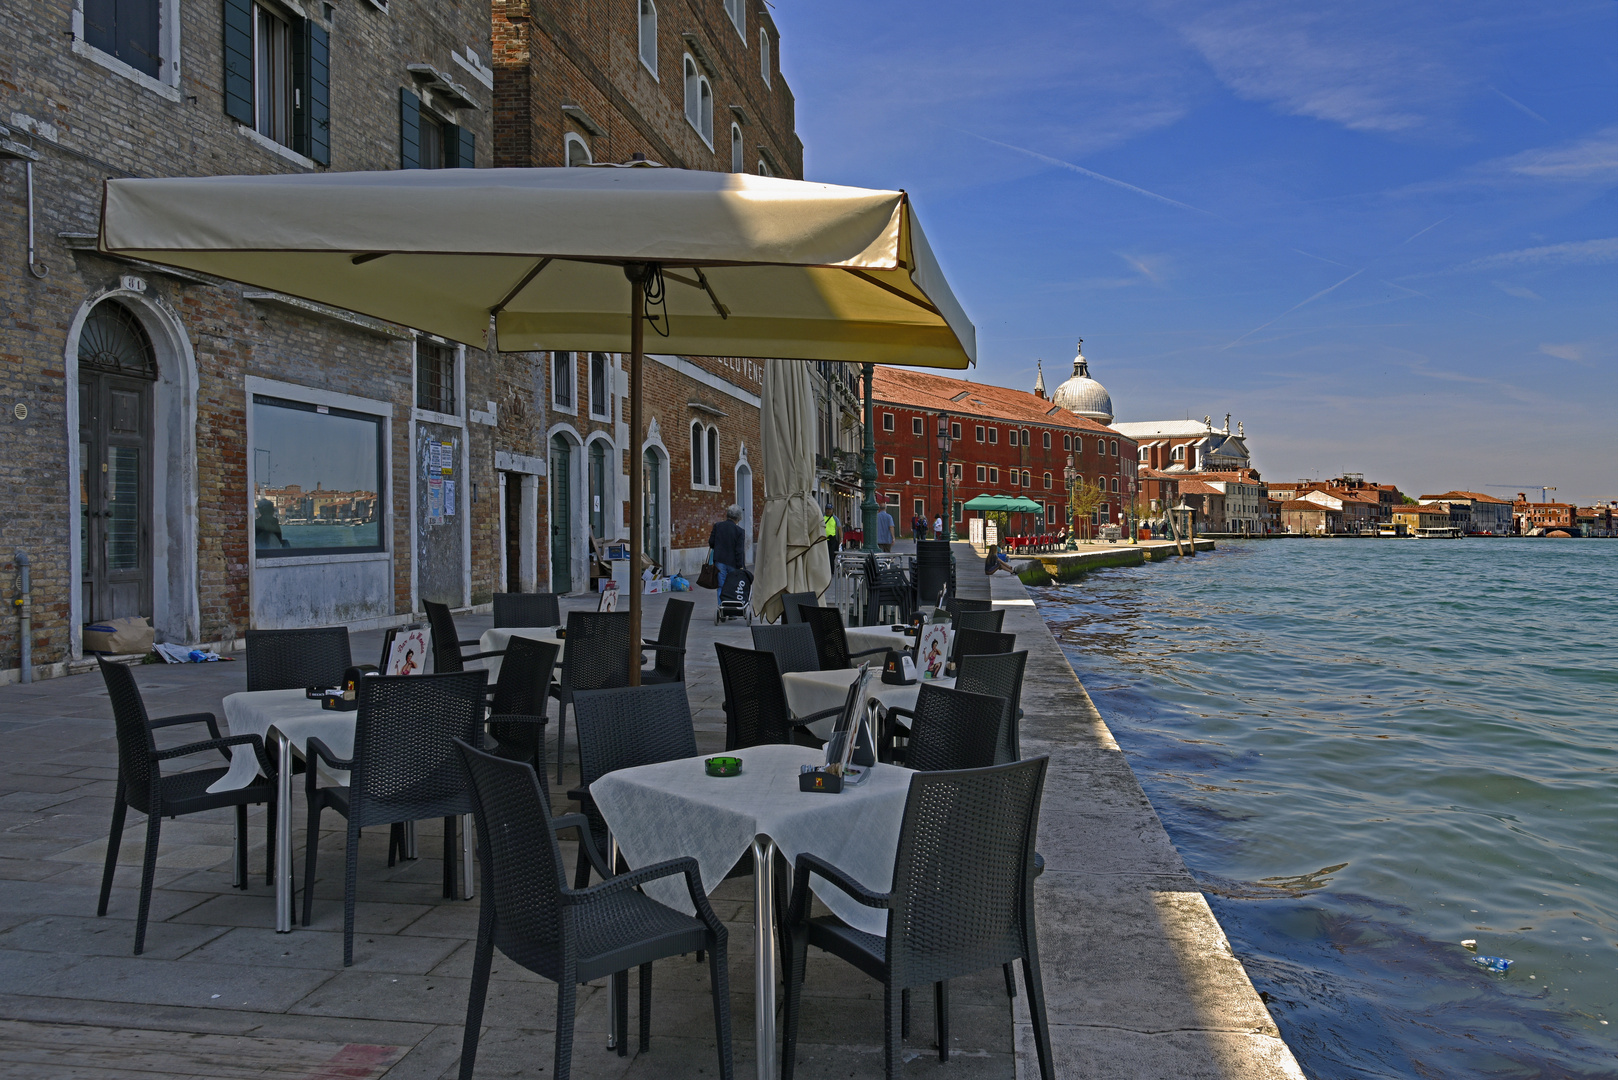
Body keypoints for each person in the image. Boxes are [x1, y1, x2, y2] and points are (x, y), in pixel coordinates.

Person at [707, 504, 747, 596]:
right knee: (733, 586)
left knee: (721, 586)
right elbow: (739, 551)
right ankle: (731, 606)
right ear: (739, 518)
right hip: (733, 563)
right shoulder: (740, 531)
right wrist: (740, 566)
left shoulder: (717, 526)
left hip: (720, 561)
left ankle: (721, 607)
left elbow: (711, 542)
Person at [824, 502, 841, 573]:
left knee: (831, 555)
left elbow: (839, 528)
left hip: (832, 539)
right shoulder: (822, 517)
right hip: (823, 540)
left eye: (830, 509)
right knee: (824, 555)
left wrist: (841, 538)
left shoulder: (835, 518)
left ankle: (831, 571)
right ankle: (825, 570)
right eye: (827, 509)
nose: (828, 511)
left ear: (832, 510)